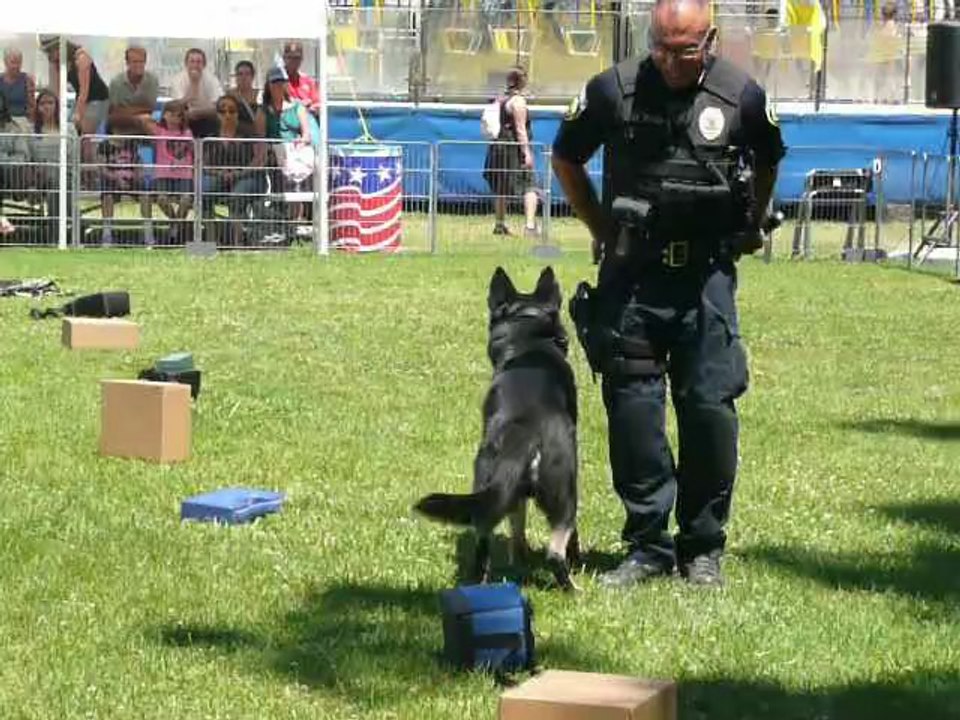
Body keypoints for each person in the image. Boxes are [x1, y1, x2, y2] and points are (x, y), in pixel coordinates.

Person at [553, 0, 785, 587]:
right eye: (660, 46)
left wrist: (751, 224)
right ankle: (647, 545)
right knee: (633, 409)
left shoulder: (741, 96)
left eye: (684, 48)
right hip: (634, 276)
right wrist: (599, 227)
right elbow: (565, 156)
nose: (671, 60)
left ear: (710, 39)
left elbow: (767, 159)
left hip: (705, 278)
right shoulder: (614, 91)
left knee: (709, 408)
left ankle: (702, 546)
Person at [482, 66, 541, 237]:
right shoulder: (518, 102)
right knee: (530, 186)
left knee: (500, 187)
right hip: (513, 147)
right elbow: (521, 129)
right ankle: (530, 227)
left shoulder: (502, 100)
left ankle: (499, 224)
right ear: (522, 82)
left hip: (499, 146)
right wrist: (526, 152)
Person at [39, 37, 110, 135]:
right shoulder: (57, 62)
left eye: (51, 50)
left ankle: (86, 148)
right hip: (80, 97)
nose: (50, 54)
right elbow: (55, 90)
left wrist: (78, 114)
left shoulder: (81, 58)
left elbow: (84, 91)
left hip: (97, 98)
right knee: (68, 124)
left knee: (84, 129)